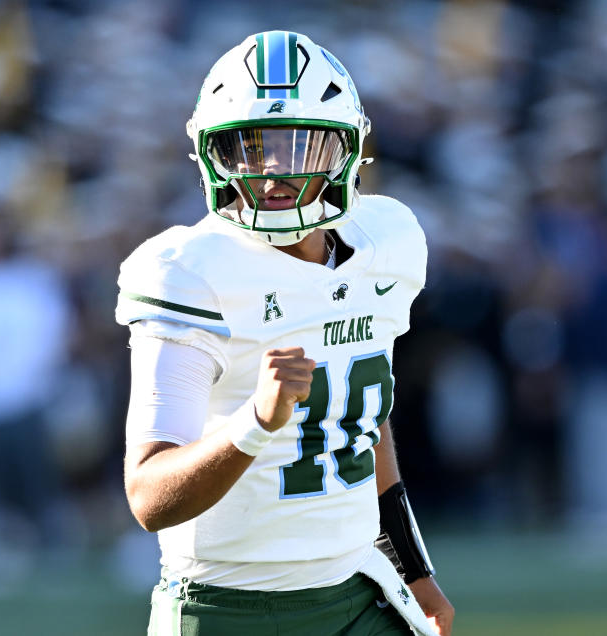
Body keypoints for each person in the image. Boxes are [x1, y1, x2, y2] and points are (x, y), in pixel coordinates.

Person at [117, 31, 454, 635]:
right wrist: (256, 421)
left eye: (295, 145)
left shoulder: (386, 242)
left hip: (359, 592)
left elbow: (361, 416)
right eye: (248, 148)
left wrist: (414, 568)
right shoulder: (190, 272)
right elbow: (147, 495)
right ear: (212, 156)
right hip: (227, 607)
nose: (271, 169)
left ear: (342, 152)